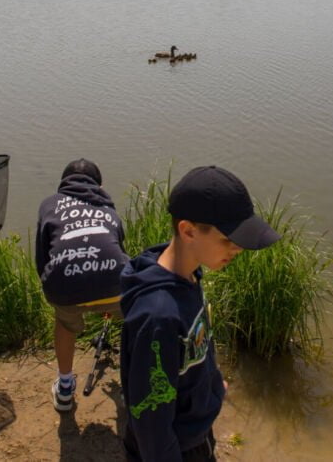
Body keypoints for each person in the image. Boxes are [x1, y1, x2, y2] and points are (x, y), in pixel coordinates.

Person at [120, 166, 282, 461]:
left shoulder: (189, 274)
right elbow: (151, 427)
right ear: (189, 231)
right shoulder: (158, 316)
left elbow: (193, 344)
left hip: (194, 431)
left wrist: (210, 383)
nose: (238, 249)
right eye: (227, 239)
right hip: (175, 446)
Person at [35, 158, 129, 412]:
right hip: (114, 285)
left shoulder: (49, 205)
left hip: (64, 289)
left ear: (63, 185)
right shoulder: (110, 211)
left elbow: (42, 258)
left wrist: (55, 287)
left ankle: (65, 387)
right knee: (133, 316)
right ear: (99, 185)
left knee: (65, 323)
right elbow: (119, 250)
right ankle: (134, 385)